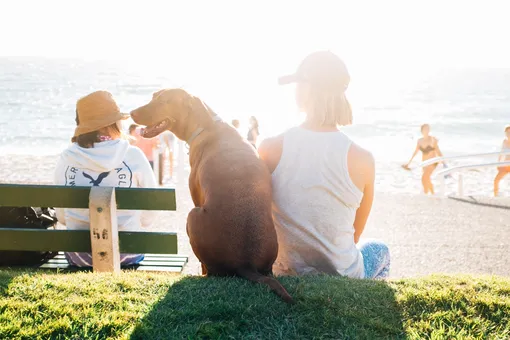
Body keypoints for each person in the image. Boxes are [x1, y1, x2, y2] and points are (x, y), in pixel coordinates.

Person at [258, 51, 390, 279]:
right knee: (381, 250)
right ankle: (367, 303)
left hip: (285, 272)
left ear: (306, 89)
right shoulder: (363, 159)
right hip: (343, 275)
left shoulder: (269, 148)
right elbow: (354, 236)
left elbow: (259, 216)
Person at [54, 91, 158, 267]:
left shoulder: (67, 157)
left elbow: (62, 217)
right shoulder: (132, 154)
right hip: (127, 252)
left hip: (80, 254)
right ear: (114, 123)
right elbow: (151, 206)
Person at [403, 124, 444, 194]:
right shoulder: (419, 141)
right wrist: (409, 163)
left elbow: (438, 151)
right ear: (422, 130)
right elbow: (415, 152)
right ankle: (432, 194)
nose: (427, 130)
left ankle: (426, 194)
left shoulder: (432, 139)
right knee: (427, 179)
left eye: (428, 129)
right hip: (424, 163)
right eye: (425, 129)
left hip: (432, 162)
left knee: (424, 178)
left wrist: (444, 162)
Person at [494, 125, 510, 196]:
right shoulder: (504, 141)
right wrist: (498, 163)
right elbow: (501, 153)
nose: (508, 134)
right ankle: (495, 196)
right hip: (506, 165)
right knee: (496, 180)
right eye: (507, 133)